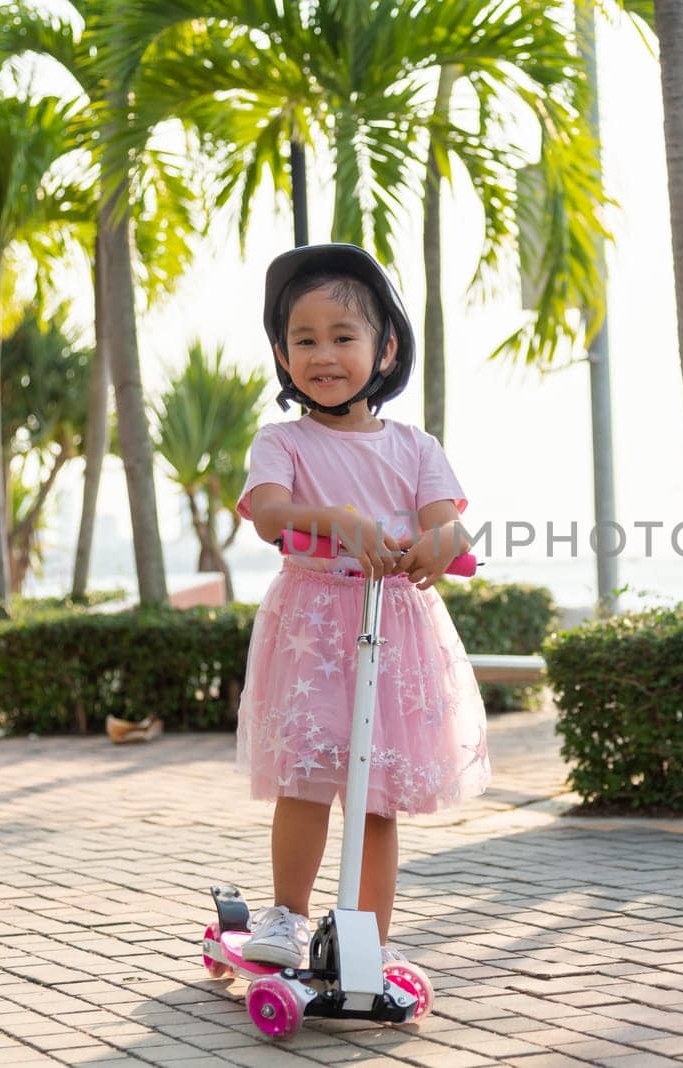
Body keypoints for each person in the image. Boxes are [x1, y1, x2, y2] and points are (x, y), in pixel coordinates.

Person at [233, 243, 490, 970]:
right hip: (314, 626)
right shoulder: (282, 441)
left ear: (385, 351)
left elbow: (450, 524)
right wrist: (341, 521)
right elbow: (270, 514)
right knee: (310, 777)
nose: (323, 354)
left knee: (376, 798)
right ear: (283, 357)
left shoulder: (415, 447)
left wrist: (443, 542)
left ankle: (368, 938)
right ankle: (287, 916)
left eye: (343, 337)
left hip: (393, 626)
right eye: (303, 340)